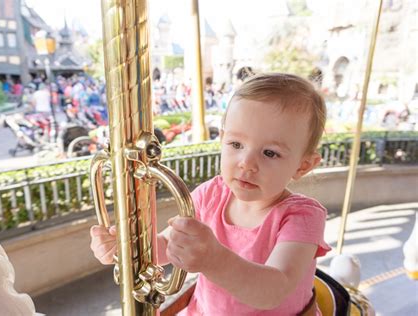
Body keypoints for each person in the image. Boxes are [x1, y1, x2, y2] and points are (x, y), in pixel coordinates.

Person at [90, 73, 330, 315]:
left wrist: (215, 260)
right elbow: (166, 244)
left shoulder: (302, 217)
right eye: (236, 145)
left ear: (303, 166)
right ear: (223, 140)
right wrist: (125, 246)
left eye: (270, 153)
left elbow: (274, 289)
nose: (246, 163)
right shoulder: (211, 194)